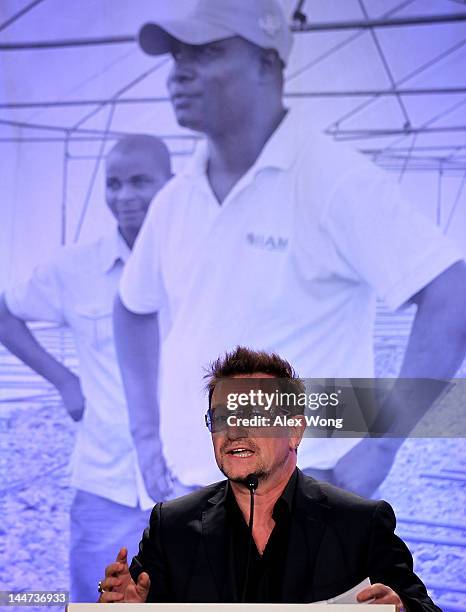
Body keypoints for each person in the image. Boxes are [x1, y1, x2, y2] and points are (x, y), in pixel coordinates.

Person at [114, 0, 466, 503]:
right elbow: (130, 308)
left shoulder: (331, 178)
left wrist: (380, 447)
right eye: (175, 57)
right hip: (191, 492)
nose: (180, 73)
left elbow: (451, 296)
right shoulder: (177, 196)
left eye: (206, 52)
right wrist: (145, 437)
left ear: (267, 64)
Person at [97, 347, 440, 610]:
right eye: (221, 418)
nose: (233, 431)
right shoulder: (170, 526)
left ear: (294, 431)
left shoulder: (360, 524)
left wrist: (401, 607)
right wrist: (128, 608)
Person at [0, 134, 174, 602]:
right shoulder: (76, 269)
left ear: (171, 185)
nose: (125, 195)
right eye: (114, 184)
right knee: (96, 600)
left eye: (141, 181)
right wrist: (63, 380)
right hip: (106, 483)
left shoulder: (201, 266)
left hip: (192, 485)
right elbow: (5, 310)